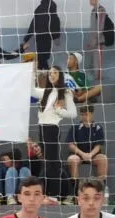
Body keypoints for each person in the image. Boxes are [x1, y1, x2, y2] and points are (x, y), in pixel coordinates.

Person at [31, 64, 77, 199]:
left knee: (53, 162)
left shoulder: (65, 92)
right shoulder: (45, 91)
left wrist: (59, 111)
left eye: (55, 73)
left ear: (60, 75)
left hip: (52, 128)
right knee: (48, 162)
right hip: (42, 127)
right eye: (50, 73)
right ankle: (51, 193)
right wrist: (33, 73)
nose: (52, 75)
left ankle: (54, 194)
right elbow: (32, 90)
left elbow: (73, 113)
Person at [65, 105, 108, 199]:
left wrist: (90, 154)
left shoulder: (98, 127)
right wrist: (82, 154)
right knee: (73, 159)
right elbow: (71, 145)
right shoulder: (75, 127)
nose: (84, 116)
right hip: (78, 155)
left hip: (93, 155)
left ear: (91, 114)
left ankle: (101, 190)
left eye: (86, 114)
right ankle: (75, 192)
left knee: (103, 158)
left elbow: (99, 145)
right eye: (82, 114)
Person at [21, 0, 62, 71]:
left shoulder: (39, 9)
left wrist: (27, 38)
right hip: (47, 37)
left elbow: (33, 24)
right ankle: (46, 72)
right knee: (43, 57)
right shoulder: (52, 6)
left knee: (41, 57)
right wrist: (56, 36)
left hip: (40, 36)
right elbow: (55, 20)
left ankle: (43, 72)